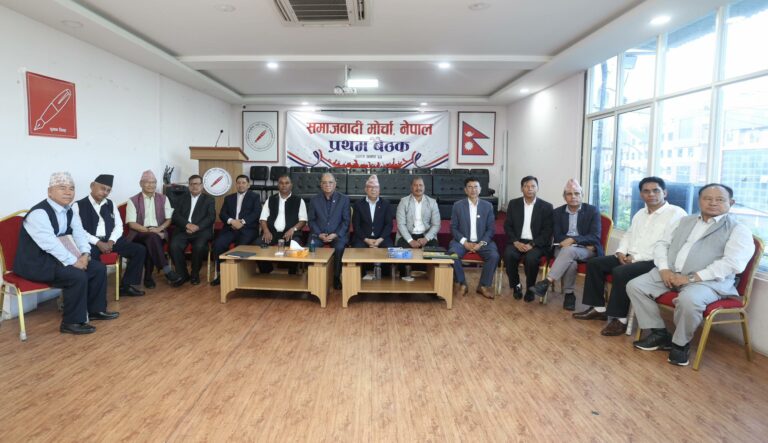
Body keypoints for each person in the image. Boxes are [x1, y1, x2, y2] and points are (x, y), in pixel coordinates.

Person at [627, 184, 754, 366]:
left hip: (707, 281)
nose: (713, 203)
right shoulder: (685, 220)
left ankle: (680, 344)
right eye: (707, 198)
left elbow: (733, 263)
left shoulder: (738, 230)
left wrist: (691, 278)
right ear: (699, 200)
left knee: (689, 300)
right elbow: (662, 244)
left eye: (719, 199)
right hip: (671, 273)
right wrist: (664, 269)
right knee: (635, 286)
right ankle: (659, 333)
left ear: (731, 203)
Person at [573, 177, 686, 335]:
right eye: (646, 191)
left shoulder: (676, 214)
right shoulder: (640, 213)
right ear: (641, 194)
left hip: (654, 262)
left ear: (665, 193)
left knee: (621, 272)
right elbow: (628, 235)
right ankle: (598, 309)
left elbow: (666, 245)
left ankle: (619, 320)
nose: (651, 194)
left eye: (655, 191)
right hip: (631, 256)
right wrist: (620, 252)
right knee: (595, 263)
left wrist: (635, 258)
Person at [14, 172, 118, 335]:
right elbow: (50, 244)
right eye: (62, 188)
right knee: (76, 275)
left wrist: (85, 255)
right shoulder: (39, 213)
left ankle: (96, 310)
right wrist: (74, 261)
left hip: (56, 259)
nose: (68, 192)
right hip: (35, 263)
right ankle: (71, 322)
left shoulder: (69, 211)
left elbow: (79, 234)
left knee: (97, 268)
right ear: (50, 192)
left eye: (71, 188)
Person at [530, 179, 603, 310]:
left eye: (577, 193)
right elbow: (558, 236)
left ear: (582, 195)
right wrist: (576, 241)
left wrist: (574, 240)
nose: (573, 196)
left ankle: (547, 282)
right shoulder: (557, 212)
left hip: (587, 250)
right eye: (569, 194)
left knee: (568, 251)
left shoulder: (593, 211)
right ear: (564, 197)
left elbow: (595, 236)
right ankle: (569, 295)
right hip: (563, 247)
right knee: (571, 262)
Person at [73, 174, 147, 297]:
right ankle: (92, 294)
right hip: (91, 243)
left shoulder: (111, 204)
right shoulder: (78, 205)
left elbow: (119, 226)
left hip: (111, 240)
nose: (105, 192)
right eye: (103, 188)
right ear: (92, 186)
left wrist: (111, 242)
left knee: (139, 250)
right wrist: (98, 243)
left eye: (108, 190)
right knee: (94, 262)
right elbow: (78, 231)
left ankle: (126, 286)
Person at [125, 170, 182, 288]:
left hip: (158, 231)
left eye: (153, 182)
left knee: (150, 242)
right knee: (152, 238)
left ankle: (148, 278)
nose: (151, 185)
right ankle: (166, 271)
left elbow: (169, 219)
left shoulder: (164, 198)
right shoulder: (133, 200)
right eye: (147, 182)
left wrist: (160, 229)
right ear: (141, 184)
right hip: (139, 233)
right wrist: (151, 231)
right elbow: (132, 224)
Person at [502, 176, 554, 301]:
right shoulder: (514, 204)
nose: (530, 189)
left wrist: (532, 244)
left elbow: (547, 231)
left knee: (531, 258)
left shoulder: (546, 206)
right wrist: (515, 242)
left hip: (537, 243)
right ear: (522, 189)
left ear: (537, 188)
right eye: (526, 186)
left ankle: (530, 288)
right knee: (509, 255)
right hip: (517, 241)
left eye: (533, 186)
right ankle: (516, 285)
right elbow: (508, 226)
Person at [448, 177, 500, 299]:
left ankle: (483, 286)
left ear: (480, 189)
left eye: (476, 187)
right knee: (452, 255)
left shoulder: (488, 206)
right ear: (465, 190)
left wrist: (481, 243)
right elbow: (453, 228)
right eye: (470, 187)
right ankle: (462, 283)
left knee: (494, 256)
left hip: (482, 242)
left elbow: (491, 229)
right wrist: (464, 242)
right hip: (462, 242)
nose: (473, 190)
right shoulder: (458, 206)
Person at [211, 174, 261, 286]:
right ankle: (221, 273)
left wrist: (242, 222)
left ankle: (238, 275)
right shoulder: (229, 198)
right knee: (218, 244)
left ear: (248, 185)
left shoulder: (255, 197)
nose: (241, 185)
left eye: (243, 183)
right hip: (230, 228)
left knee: (240, 247)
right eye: (238, 183)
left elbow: (256, 213)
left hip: (247, 230)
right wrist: (232, 221)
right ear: (236, 184)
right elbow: (222, 214)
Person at [169, 174, 215, 286]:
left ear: (202, 186)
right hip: (184, 230)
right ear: (189, 186)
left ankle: (195, 274)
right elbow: (175, 215)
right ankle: (182, 275)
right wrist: (187, 225)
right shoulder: (181, 198)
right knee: (174, 246)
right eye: (192, 184)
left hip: (201, 231)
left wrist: (196, 227)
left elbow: (211, 217)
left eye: (198, 184)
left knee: (199, 247)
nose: (195, 186)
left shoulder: (209, 199)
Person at [256, 174, 307, 275]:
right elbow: (263, 218)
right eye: (281, 183)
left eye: (287, 183)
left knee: (294, 246)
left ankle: (292, 273)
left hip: (290, 233)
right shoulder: (270, 199)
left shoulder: (299, 200)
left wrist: (293, 229)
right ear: (278, 185)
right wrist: (266, 231)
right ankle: (266, 271)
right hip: (272, 233)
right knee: (257, 244)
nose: (284, 185)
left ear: (291, 185)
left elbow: (303, 221)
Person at [308, 173, 350, 290]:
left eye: (330, 182)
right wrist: (319, 234)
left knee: (340, 248)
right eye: (324, 182)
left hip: (337, 235)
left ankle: (336, 277)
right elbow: (311, 220)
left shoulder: (344, 199)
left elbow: (346, 221)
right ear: (321, 185)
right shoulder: (314, 200)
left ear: (335, 184)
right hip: (318, 235)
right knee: (311, 246)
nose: (328, 185)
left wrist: (336, 234)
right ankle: (314, 276)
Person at [395, 176, 441, 249]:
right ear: (411, 187)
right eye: (415, 185)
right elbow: (401, 224)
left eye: (420, 185)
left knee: (433, 251)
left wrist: (426, 239)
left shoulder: (432, 202)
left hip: (426, 235)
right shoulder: (403, 202)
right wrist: (410, 240)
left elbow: (436, 225)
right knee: (403, 252)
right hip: (407, 235)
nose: (418, 188)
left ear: (424, 187)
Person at [352, 175, 394, 248]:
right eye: (370, 187)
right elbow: (356, 226)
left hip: (381, 238)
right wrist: (366, 240)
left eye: (376, 187)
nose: (373, 189)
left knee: (388, 248)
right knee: (357, 248)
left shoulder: (386, 204)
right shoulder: (358, 204)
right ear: (365, 189)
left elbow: (389, 225)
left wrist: (380, 240)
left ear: (379, 190)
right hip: (363, 238)